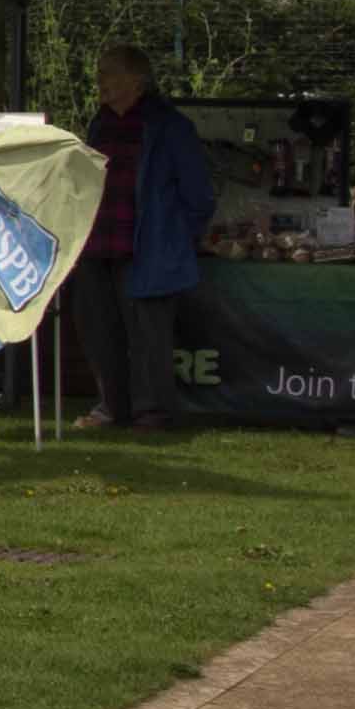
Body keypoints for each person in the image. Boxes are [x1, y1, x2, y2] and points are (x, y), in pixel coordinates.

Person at [67, 45, 217, 431]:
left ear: (136, 81)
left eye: (107, 73)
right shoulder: (100, 123)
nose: (99, 80)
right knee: (102, 334)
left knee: (148, 339)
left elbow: (198, 196)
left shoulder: (169, 126)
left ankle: (152, 413)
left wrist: (174, 239)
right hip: (99, 245)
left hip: (146, 249)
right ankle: (111, 408)